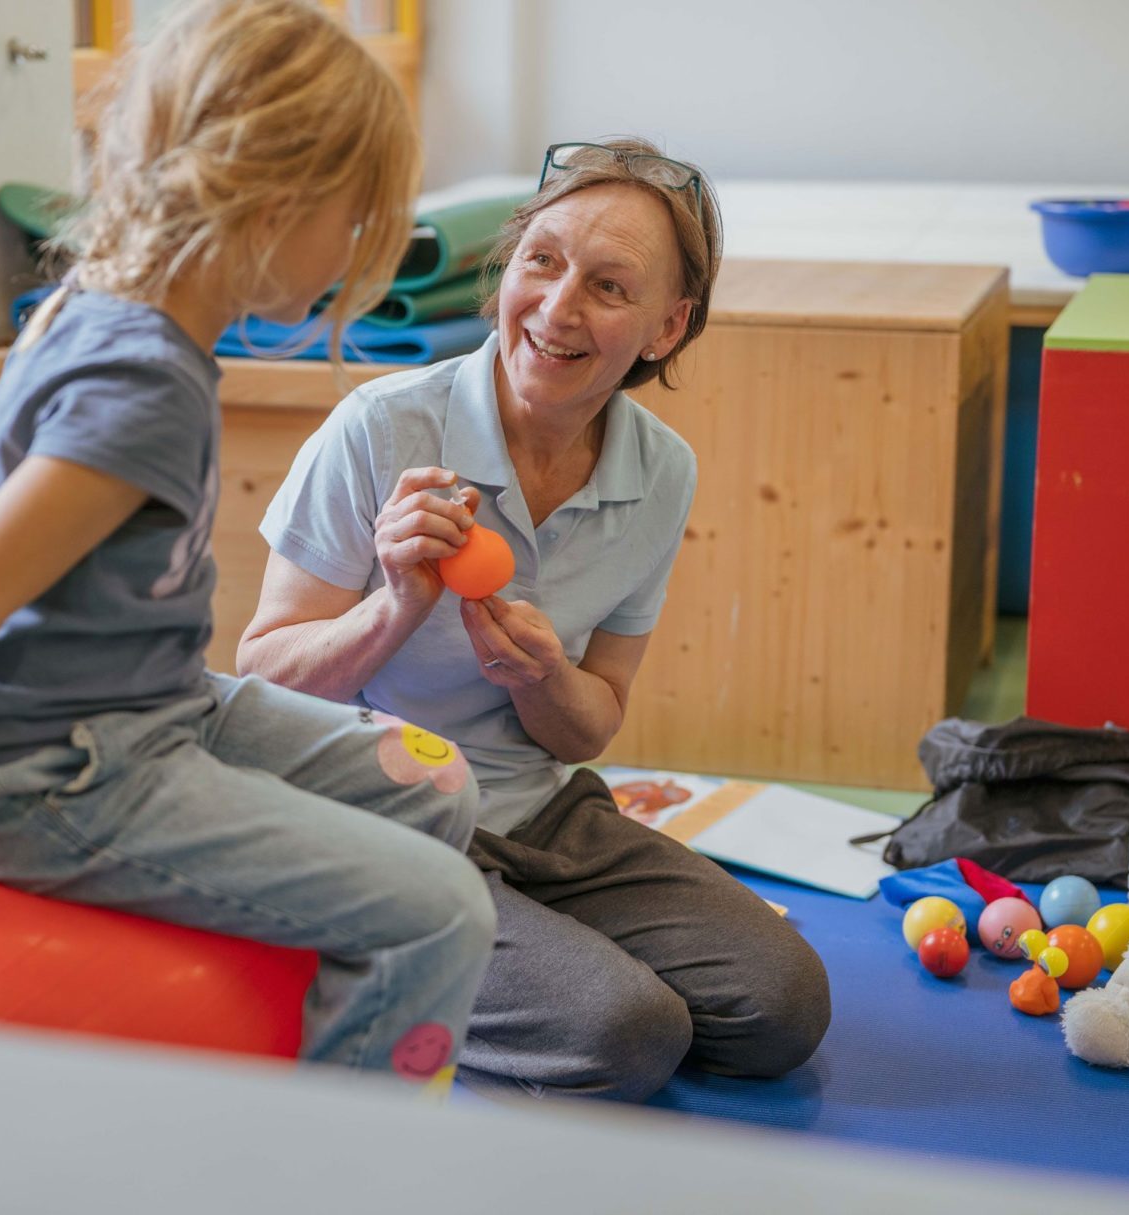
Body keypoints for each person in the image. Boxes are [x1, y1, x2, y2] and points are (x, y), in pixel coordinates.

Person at [0, 0, 496, 1088]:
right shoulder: (144, 384)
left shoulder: (92, 302)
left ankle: (321, 1008)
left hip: (143, 705)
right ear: (273, 201)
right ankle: (347, 1165)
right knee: (442, 913)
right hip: (52, 777)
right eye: (352, 221)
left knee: (435, 783)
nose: (354, 252)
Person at [240, 138, 831, 1101]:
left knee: (782, 1005)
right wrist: (393, 609)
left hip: (539, 812)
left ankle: (494, 951)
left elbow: (595, 721)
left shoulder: (661, 470)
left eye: (608, 286)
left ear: (666, 327)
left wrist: (542, 678)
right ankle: (349, 943)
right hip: (378, 809)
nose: (557, 310)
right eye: (542, 261)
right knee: (622, 1032)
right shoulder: (383, 428)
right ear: (507, 268)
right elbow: (260, 679)